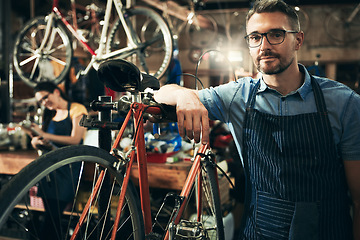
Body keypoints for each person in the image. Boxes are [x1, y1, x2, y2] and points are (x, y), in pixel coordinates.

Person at [154, 0, 360, 239]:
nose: (264, 45)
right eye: (255, 37)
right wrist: (186, 95)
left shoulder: (343, 103)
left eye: (276, 34)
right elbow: (160, 93)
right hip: (259, 233)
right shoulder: (237, 97)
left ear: (298, 40)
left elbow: (359, 198)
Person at [30, 81, 88, 239]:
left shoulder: (77, 109)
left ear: (56, 91)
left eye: (45, 97)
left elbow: (75, 139)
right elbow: (43, 141)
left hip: (67, 169)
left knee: (53, 218)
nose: (44, 102)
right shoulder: (50, 114)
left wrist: (44, 134)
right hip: (48, 170)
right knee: (49, 216)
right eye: (40, 101)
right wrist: (35, 142)